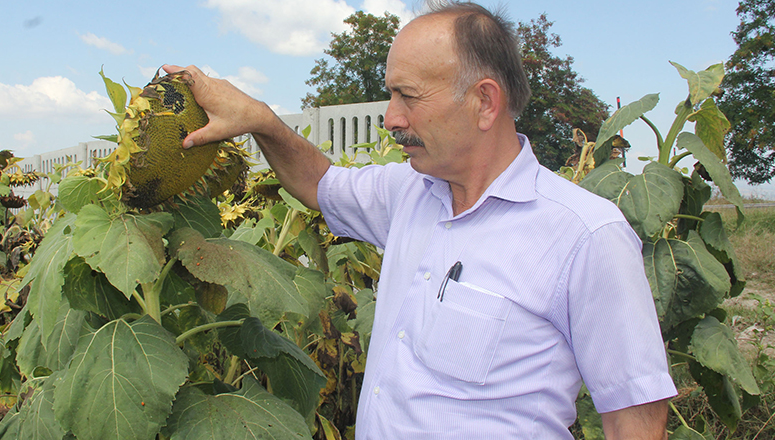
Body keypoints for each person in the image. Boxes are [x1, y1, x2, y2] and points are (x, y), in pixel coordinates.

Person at [164, 1, 677, 438]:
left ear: (484, 102)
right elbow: (319, 183)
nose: (390, 116)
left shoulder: (584, 235)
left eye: (407, 96)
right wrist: (259, 119)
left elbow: (636, 419)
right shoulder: (408, 194)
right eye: (391, 94)